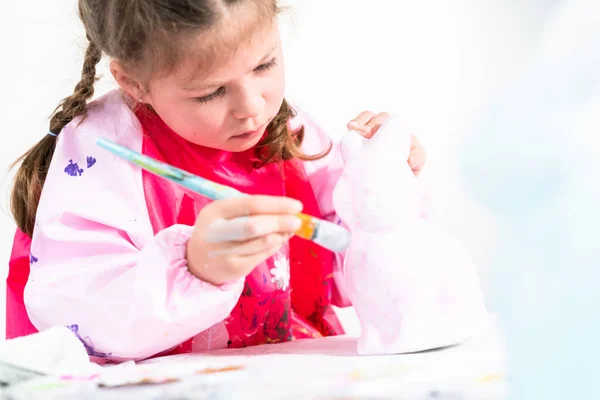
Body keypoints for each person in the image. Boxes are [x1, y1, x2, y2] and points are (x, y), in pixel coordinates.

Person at [7, 0, 426, 361]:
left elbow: (351, 266)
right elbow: (75, 311)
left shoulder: (291, 134)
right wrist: (195, 269)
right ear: (135, 83)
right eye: (210, 93)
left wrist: (380, 195)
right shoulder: (102, 151)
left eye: (264, 65)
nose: (251, 106)